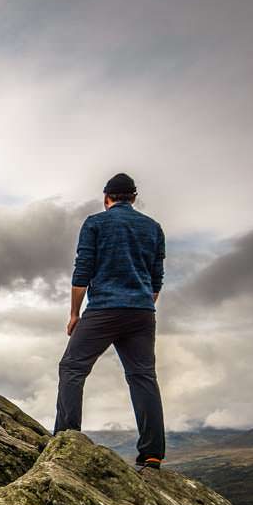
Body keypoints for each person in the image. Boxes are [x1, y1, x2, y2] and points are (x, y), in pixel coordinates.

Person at [55, 172, 166, 470]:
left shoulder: (95, 223)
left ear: (107, 198)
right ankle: (152, 453)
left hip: (104, 308)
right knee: (142, 377)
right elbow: (157, 279)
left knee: (72, 368)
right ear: (133, 198)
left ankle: (66, 440)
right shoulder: (153, 228)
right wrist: (140, 304)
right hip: (142, 312)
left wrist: (75, 313)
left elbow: (83, 272)